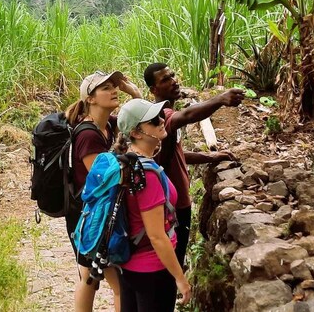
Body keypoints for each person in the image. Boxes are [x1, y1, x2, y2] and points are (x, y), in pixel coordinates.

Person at [143, 63, 244, 268]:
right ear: (153, 90)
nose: (173, 81)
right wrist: (221, 99)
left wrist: (210, 157)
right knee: (171, 262)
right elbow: (187, 116)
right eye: (165, 80)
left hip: (175, 202)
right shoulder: (161, 116)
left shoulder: (162, 115)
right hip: (171, 206)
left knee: (172, 260)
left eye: (172, 75)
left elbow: (177, 154)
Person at [66, 70, 142, 312]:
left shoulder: (108, 125)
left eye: (114, 86)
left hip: (95, 213)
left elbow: (139, 120)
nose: (114, 91)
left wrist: (135, 93)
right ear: (90, 99)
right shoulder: (88, 134)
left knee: (88, 277)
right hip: (91, 217)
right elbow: (104, 178)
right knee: (118, 283)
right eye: (106, 88)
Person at [115, 98, 191, 312]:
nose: (160, 121)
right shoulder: (145, 174)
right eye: (152, 120)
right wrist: (180, 277)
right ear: (136, 133)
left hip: (129, 265)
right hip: (152, 269)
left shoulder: (126, 161)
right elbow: (157, 235)